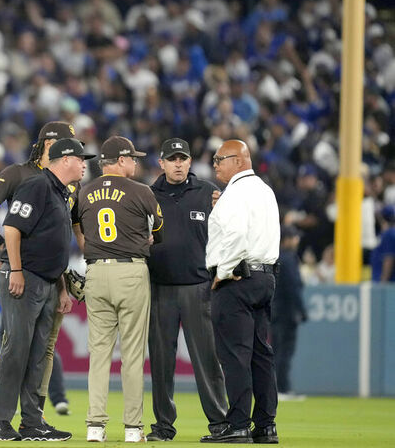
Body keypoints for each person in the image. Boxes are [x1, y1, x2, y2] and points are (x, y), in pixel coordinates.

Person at [0, 138, 90, 442]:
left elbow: (54, 247)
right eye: (81, 158)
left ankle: (32, 421)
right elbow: (12, 228)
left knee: (37, 354)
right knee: (16, 349)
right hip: (24, 277)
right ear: (64, 159)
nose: (85, 164)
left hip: (46, 281)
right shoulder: (37, 185)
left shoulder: (60, 193)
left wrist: (61, 290)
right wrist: (15, 270)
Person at [79, 136, 164, 444]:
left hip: (96, 270)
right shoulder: (142, 191)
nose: (136, 163)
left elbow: (77, 226)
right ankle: (132, 428)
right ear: (120, 160)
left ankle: (95, 427)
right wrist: (145, 236)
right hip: (130, 270)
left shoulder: (85, 192)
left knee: (99, 354)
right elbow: (159, 229)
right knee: (131, 355)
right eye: (132, 158)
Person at [146, 138, 229, 442]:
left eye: (183, 158)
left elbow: (226, 234)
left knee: (207, 360)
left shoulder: (208, 193)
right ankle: (164, 426)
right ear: (162, 163)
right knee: (161, 362)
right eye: (172, 159)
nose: (178, 164)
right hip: (159, 288)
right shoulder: (148, 195)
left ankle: (220, 424)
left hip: (198, 287)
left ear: (191, 161)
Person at [202, 139, 280, 444]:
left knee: (235, 356)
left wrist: (222, 273)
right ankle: (266, 426)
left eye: (219, 159)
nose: (216, 165)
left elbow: (234, 234)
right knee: (262, 354)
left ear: (238, 160)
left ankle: (237, 425)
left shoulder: (234, 194)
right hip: (266, 277)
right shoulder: (265, 190)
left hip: (237, 279)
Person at [273, 226, 307, 402]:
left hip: (274, 311)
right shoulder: (288, 258)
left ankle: (277, 388)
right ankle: (282, 388)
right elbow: (293, 287)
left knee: (277, 350)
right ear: (286, 239)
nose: (297, 241)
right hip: (287, 312)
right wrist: (302, 311)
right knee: (284, 351)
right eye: (294, 237)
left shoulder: (274, 256)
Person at [371, 205, 395, 283]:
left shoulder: (389, 234)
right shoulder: (387, 234)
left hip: (385, 284)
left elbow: (389, 258)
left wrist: (383, 282)